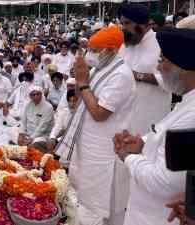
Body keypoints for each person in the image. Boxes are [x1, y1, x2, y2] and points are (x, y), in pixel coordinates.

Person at [55, 26, 136, 225]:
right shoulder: (101, 68)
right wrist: (83, 77)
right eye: (89, 49)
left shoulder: (121, 75)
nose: (90, 54)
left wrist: (82, 83)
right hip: (86, 143)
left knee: (93, 201)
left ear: (110, 50)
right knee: (78, 192)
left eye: (94, 50)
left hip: (101, 149)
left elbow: (100, 113)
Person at [113, 28, 195, 225]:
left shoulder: (192, 115)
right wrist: (141, 142)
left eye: (162, 60)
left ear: (184, 67)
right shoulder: (187, 102)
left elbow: (164, 182)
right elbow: (167, 133)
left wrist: (128, 157)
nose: (158, 69)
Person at [119, 4, 171, 136]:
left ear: (143, 24)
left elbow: (171, 81)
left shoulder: (162, 44)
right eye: (122, 23)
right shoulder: (126, 45)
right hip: (124, 116)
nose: (123, 28)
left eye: (127, 23)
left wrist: (137, 76)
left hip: (151, 116)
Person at [18, 86, 54, 150]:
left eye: (38, 94)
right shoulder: (28, 105)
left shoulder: (48, 107)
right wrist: (21, 134)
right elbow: (23, 121)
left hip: (42, 135)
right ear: (30, 96)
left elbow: (42, 127)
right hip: (28, 134)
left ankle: (28, 146)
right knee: (12, 131)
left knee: (35, 144)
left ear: (41, 94)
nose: (36, 96)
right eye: (33, 95)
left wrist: (31, 138)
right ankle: (25, 144)